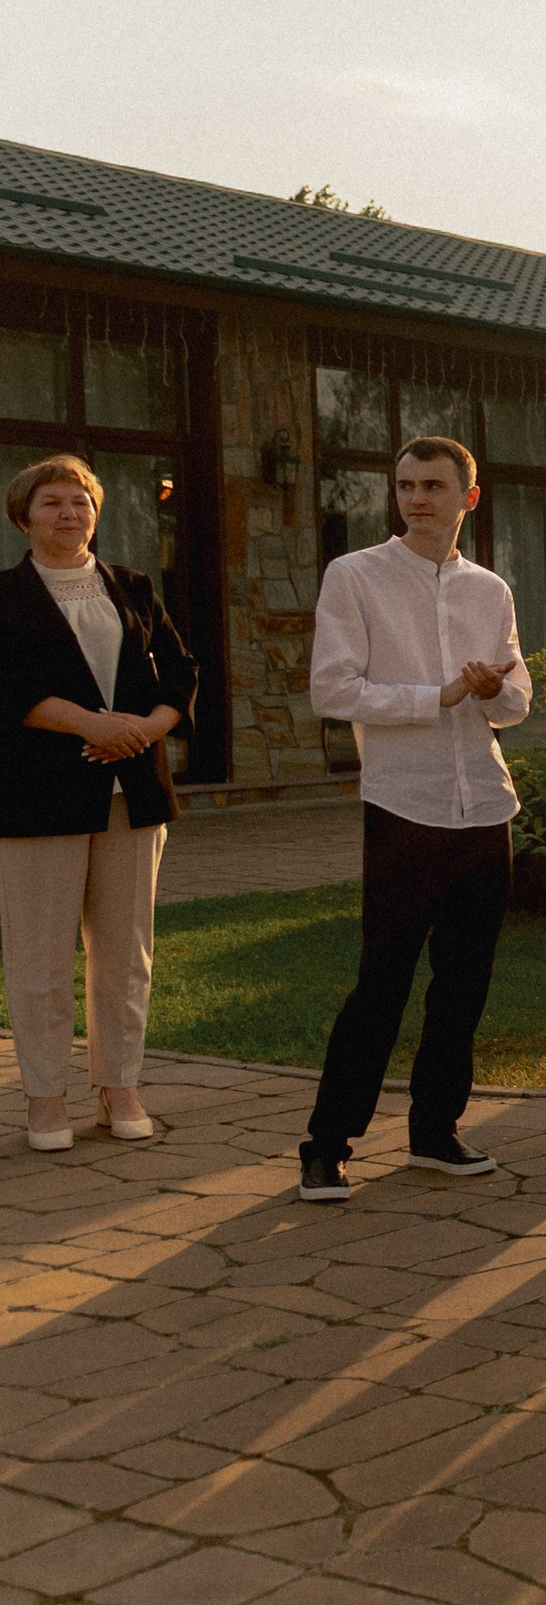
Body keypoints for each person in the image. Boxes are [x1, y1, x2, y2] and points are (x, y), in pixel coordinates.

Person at [299, 438, 528, 1203]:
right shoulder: (355, 576)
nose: (416, 498)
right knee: (382, 985)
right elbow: (333, 690)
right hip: (404, 807)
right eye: (404, 485)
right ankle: (327, 1144)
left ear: (470, 495)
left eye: (433, 485)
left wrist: (491, 689)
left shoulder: (490, 589)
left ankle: (435, 1131)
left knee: (463, 987)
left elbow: (516, 702)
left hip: (484, 807)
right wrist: (436, 696)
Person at [0, 455, 197, 1152]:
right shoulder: (5, 596)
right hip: (37, 800)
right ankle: (46, 1098)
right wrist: (92, 725)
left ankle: (121, 1087)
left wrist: (145, 730)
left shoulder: (135, 587)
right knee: (41, 957)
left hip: (132, 794)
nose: (69, 514)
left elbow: (179, 672)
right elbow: (7, 689)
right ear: (23, 515)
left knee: (126, 953)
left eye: (80, 501)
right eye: (52, 503)